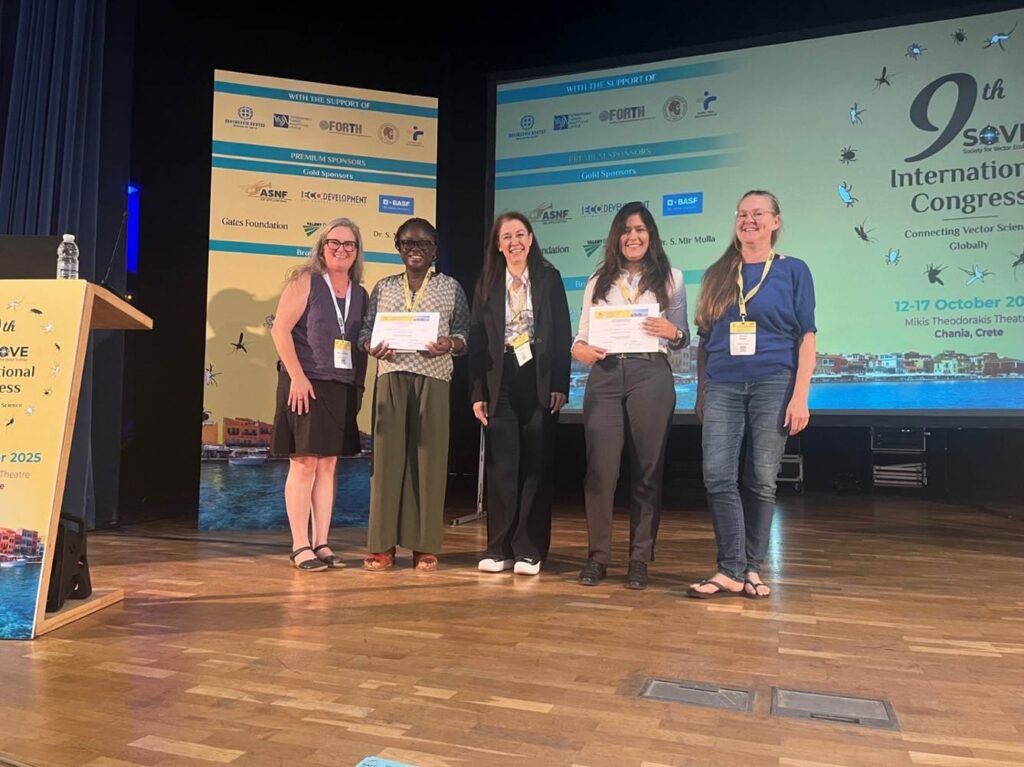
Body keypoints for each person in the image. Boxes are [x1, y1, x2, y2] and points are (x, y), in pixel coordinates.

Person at [688, 190, 816, 600]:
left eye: (758, 213)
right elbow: (704, 339)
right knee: (717, 477)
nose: (749, 220)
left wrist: (801, 396)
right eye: (742, 214)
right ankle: (730, 569)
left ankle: (751, 569)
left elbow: (807, 336)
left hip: (774, 382)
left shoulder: (794, 270)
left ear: (775, 222)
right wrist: (702, 391)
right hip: (722, 384)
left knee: (761, 480)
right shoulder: (717, 273)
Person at [571, 201, 688, 590]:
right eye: (625, 230)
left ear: (650, 235)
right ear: (616, 237)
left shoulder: (671, 278)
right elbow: (581, 337)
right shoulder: (597, 280)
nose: (632, 236)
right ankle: (598, 557)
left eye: (640, 230)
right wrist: (579, 350)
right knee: (600, 471)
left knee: (647, 470)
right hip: (604, 375)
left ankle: (639, 559)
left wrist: (673, 332)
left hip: (650, 374)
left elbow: (683, 339)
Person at [359, 217, 470, 572]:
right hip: (391, 377)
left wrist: (450, 343)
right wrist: (370, 345)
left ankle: (424, 545)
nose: (415, 249)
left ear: (435, 249)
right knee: (386, 463)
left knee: (429, 463)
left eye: (423, 243)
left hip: (433, 379)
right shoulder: (383, 287)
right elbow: (365, 332)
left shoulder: (451, 287)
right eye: (408, 243)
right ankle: (382, 546)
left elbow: (465, 334)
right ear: (398, 247)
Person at [468, 213, 571, 575]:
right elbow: (476, 340)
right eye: (507, 236)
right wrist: (477, 392)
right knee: (502, 468)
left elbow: (562, 332)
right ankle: (499, 548)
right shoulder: (487, 282)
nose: (514, 242)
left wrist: (560, 384)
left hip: (539, 378)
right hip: (501, 380)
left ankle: (529, 549)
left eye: (520, 234)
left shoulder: (548, 278)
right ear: (498, 245)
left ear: (530, 239)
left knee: (536, 465)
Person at [270, 217, 368, 571]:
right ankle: (300, 545)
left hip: (341, 385)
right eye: (334, 243)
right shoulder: (305, 281)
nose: (341, 249)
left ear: (357, 251)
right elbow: (280, 330)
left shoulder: (361, 294)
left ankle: (322, 542)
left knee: (329, 465)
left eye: (349, 244)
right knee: (305, 462)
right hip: (305, 383)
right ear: (322, 247)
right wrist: (297, 377)